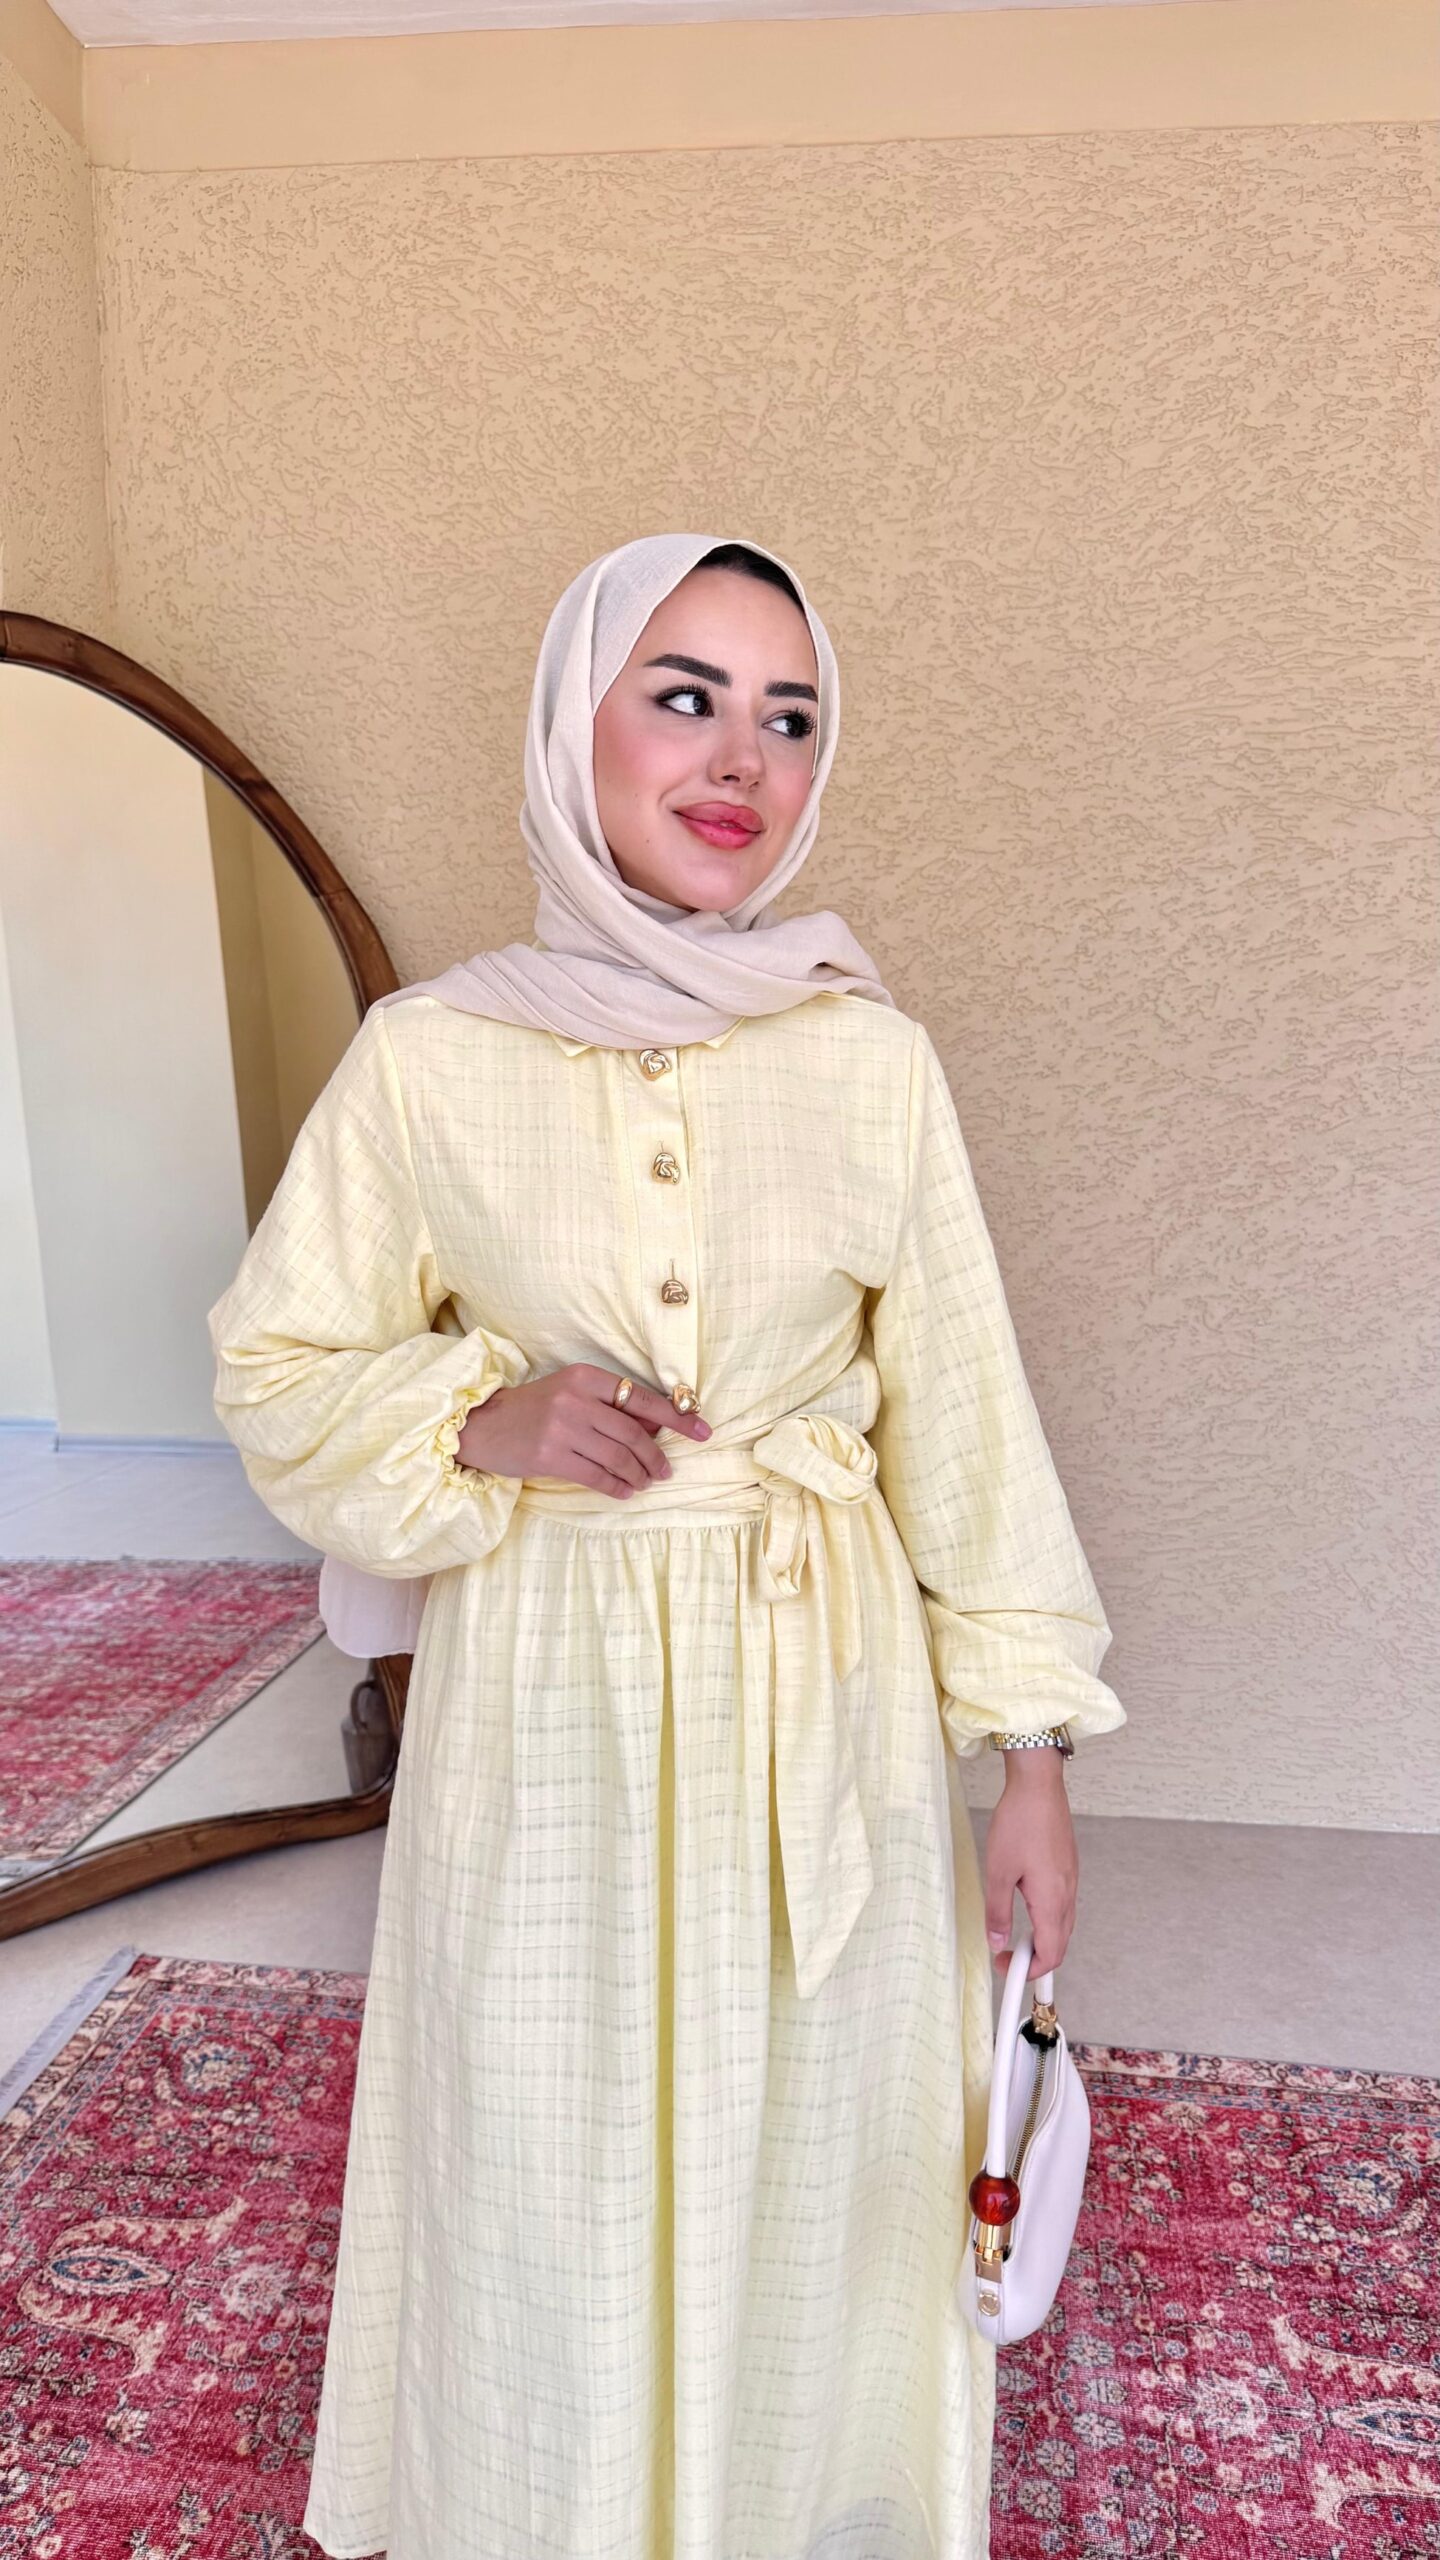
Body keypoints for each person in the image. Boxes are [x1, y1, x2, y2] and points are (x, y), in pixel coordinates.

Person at [207, 531, 1126, 2560]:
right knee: (544, 2142)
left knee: (818, 2128)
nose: (742, 762)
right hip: (548, 1690)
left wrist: (1034, 1759)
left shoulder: (869, 1060)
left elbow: (966, 1413)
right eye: (685, 697)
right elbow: (277, 1363)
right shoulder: (430, 1059)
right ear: (577, 727)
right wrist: (483, 1417)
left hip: (822, 1686)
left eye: (790, 717)